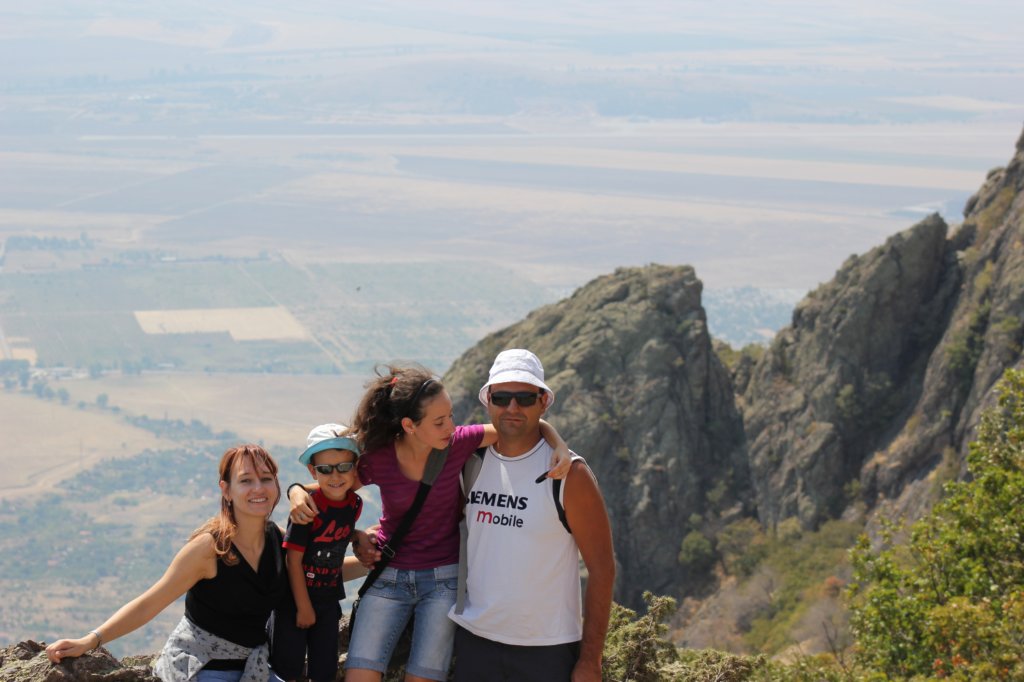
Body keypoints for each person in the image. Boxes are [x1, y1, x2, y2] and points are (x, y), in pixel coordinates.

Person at [287, 364, 572, 682]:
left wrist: (559, 445)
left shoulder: (458, 442)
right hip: (389, 574)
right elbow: (331, 488)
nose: (451, 426)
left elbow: (524, 426)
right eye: (439, 421)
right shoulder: (380, 458)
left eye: (450, 416)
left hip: (443, 581)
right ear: (409, 425)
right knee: (359, 676)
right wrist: (296, 491)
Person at [45, 444, 291, 682]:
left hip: (255, 668)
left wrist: (298, 490)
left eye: (266, 479)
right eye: (246, 480)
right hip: (201, 668)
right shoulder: (210, 549)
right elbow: (149, 604)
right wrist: (90, 640)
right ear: (226, 490)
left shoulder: (279, 541)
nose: (258, 488)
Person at [449, 349, 615, 682]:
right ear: (488, 401)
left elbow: (602, 568)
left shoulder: (570, 474)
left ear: (543, 402)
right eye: (502, 398)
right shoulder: (468, 462)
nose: (512, 407)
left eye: (524, 398)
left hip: (547, 650)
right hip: (473, 641)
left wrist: (590, 661)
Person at [272, 425, 363, 682]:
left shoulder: (353, 504)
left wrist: (358, 535)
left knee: (324, 670)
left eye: (344, 467)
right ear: (313, 471)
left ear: (355, 467)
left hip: (328, 601)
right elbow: (293, 560)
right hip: (294, 602)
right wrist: (303, 607)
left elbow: (340, 533)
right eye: (325, 469)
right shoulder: (307, 508)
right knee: (286, 670)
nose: (336, 475)